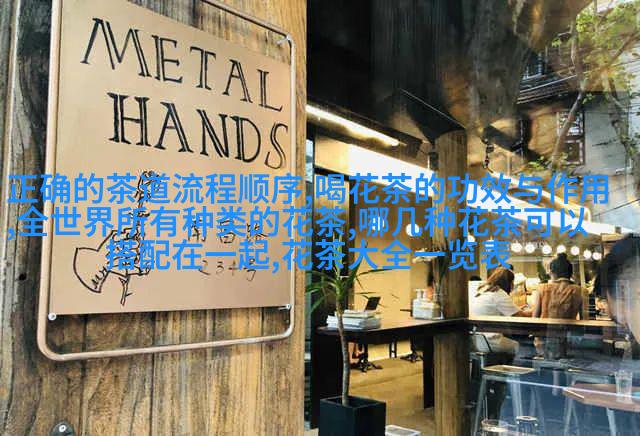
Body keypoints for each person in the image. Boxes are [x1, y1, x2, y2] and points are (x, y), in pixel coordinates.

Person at [532, 253, 584, 358]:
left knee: (547, 363)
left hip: (543, 340)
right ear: (570, 273)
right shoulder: (580, 291)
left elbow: (535, 318)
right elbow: (584, 320)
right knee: (561, 363)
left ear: (552, 272)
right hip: (566, 340)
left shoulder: (542, 288)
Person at [470, 266, 532, 354]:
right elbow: (521, 316)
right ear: (509, 282)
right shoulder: (498, 293)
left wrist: (517, 310)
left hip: (477, 339)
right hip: (490, 341)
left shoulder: (483, 290)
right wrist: (535, 309)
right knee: (522, 347)